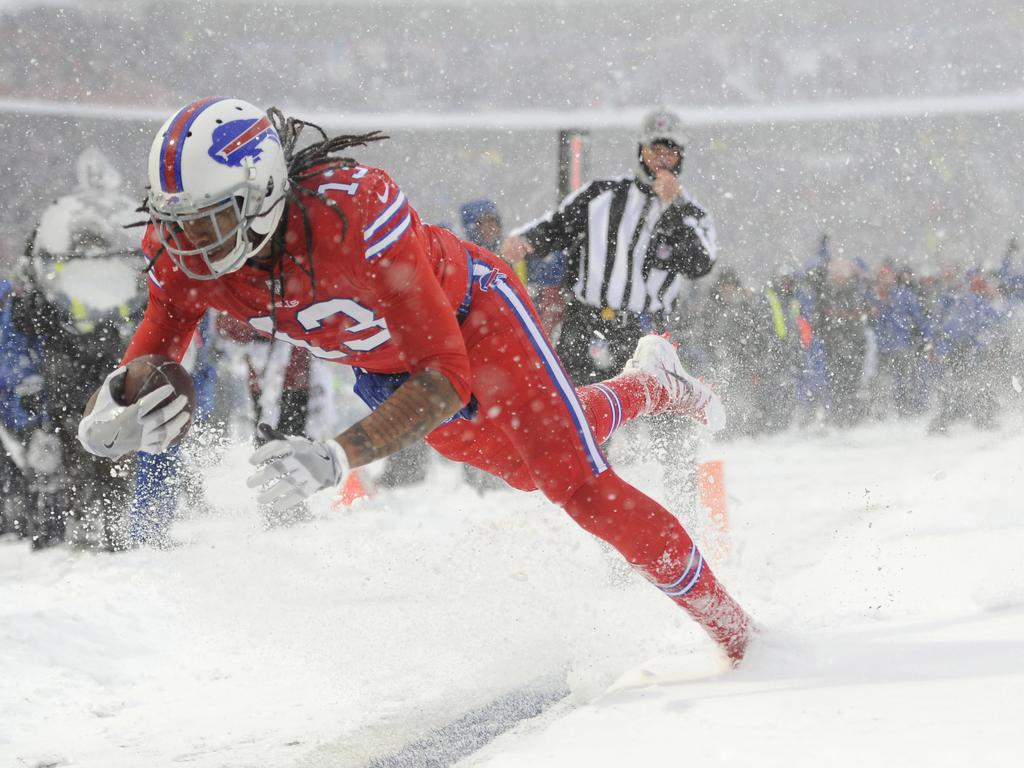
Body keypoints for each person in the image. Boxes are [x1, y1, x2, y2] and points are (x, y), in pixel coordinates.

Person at [76, 98, 750, 663]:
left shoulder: (351, 212)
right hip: (384, 368)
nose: (189, 242)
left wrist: (337, 454)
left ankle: (737, 634)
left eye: (209, 219)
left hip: (474, 321)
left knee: (574, 482)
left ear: (263, 196)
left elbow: (448, 376)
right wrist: (113, 407)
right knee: (526, 466)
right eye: (177, 222)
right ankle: (650, 383)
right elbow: (146, 359)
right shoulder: (183, 253)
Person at [500, 107, 716, 383]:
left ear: (680, 158)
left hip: (647, 332)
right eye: (655, 150)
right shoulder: (601, 195)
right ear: (642, 151)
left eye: (670, 152)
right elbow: (557, 226)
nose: (662, 160)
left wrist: (674, 208)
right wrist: (526, 241)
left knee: (653, 417)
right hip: (587, 326)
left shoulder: (692, 214)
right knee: (576, 409)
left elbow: (700, 264)